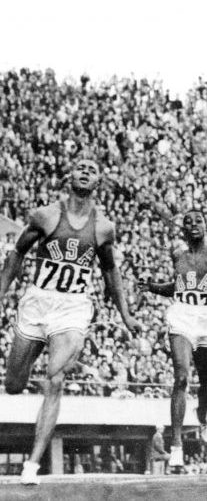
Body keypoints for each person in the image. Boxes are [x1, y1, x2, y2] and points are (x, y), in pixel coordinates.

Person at [0, 159, 140, 485]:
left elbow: (110, 273)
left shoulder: (103, 228)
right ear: (70, 176)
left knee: (56, 379)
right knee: (14, 385)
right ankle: (33, 363)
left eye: (93, 167)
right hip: (38, 302)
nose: (87, 170)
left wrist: (125, 314)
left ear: (99, 180)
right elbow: (16, 255)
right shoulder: (45, 215)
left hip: (73, 307)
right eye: (81, 166)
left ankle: (32, 465)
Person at [137, 209, 207, 469]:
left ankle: (202, 415)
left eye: (198, 220)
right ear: (183, 230)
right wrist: (152, 286)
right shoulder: (177, 255)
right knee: (182, 377)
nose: (193, 224)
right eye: (188, 221)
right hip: (181, 316)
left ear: (206, 225)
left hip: (205, 318)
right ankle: (176, 445)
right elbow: (177, 288)